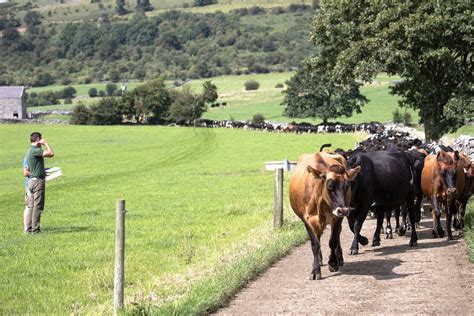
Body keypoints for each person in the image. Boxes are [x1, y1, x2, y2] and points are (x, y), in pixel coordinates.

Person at [25, 132, 54, 234]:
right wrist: (46, 143)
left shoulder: (29, 151)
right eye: (41, 139)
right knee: (37, 206)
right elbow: (51, 153)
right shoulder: (36, 150)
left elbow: (30, 168)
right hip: (37, 182)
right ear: (37, 139)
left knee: (32, 206)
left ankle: (29, 228)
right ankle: (35, 230)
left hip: (31, 181)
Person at [23, 157, 31, 233]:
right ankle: (27, 228)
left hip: (35, 184)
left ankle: (31, 226)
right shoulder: (28, 157)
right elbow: (25, 173)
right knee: (29, 206)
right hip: (30, 186)